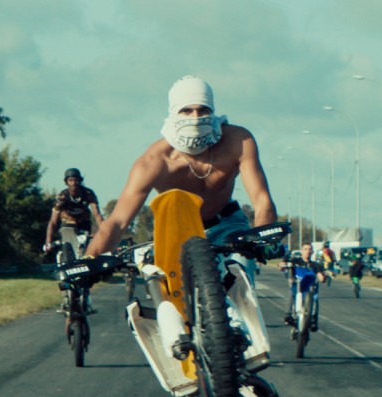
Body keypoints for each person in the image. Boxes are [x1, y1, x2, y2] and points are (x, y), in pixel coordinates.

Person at [86, 75, 278, 276]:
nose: (195, 118)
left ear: (213, 111)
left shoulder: (238, 141)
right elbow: (118, 221)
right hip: (175, 232)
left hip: (226, 226)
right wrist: (88, 262)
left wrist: (263, 239)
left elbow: (262, 201)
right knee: (165, 285)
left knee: (239, 274)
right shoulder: (153, 162)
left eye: (203, 110)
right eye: (186, 110)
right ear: (173, 113)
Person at [45, 168, 104, 313]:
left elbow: (97, 215)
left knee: (87, 255)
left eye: (76, 180)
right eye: (70, 180)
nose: (73, 183)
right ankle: (67, 295)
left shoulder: (88, 193)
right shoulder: (62, 197)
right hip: (68, 224)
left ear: (80, 181)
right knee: (67, 250)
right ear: (66, 182)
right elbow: (53, 221)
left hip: (84, 224)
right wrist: (48, 241)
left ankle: (86, 294)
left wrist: (104, 233)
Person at [279, 242, 327, 331]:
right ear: (301, 251)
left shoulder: (315, 265)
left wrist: (325, 275)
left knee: (315, 297)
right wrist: (282, 264)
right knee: (292, 292)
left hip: (309, 289)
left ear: (312, 251)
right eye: (305, 249)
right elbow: (282, 267)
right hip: (297, 286)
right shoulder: (295, 261)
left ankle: (313, 320)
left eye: (309, 249)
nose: (307, 251)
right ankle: (288, 315)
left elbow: (321, 279)